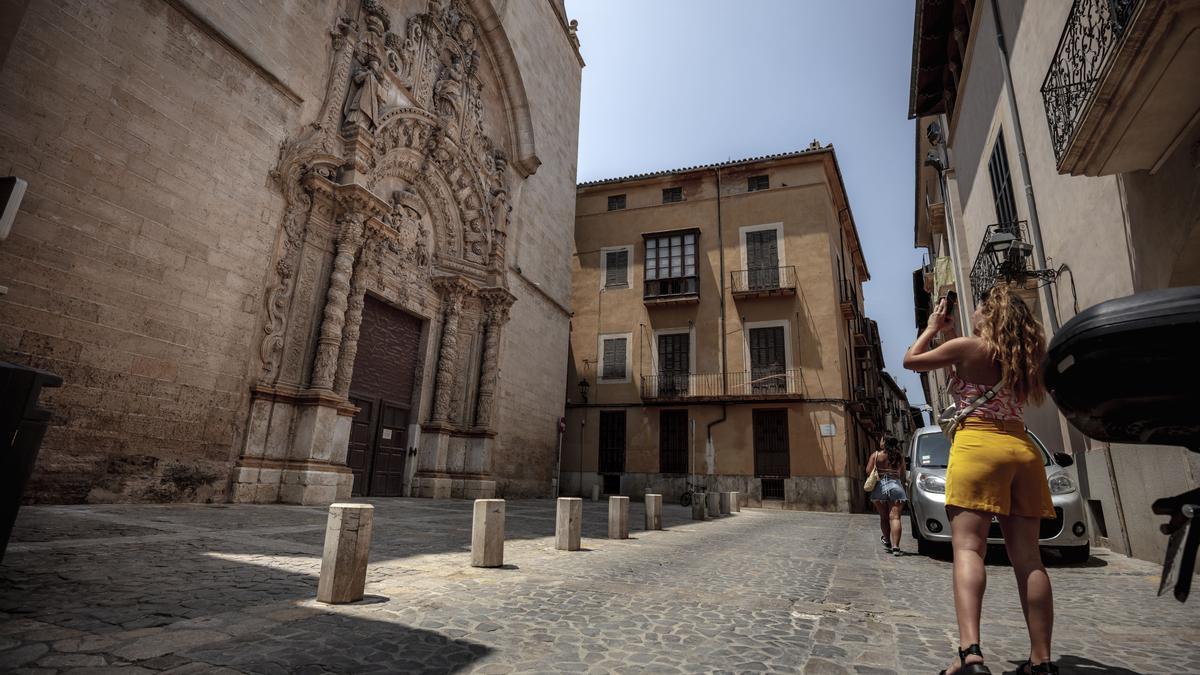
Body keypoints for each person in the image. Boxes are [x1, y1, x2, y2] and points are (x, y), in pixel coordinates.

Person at [903, 283, 1057, 675]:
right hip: (1022, 449)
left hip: (978, 446)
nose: (972, 315)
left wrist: (932, 327)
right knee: (1029, 559)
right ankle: (1042, 661)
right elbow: (966, 372)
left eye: (977, 310)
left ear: (988, 314)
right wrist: (952, 334)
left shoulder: (971, 348)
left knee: (969, 550)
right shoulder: (1021, 359)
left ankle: (970, 653)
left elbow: (911, 360)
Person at [866, 435, 907, 556]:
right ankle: (896, 547)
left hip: (880, 488)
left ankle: (887, 540)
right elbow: (902, 472)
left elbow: (868, 471)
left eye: (881, 440)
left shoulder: (876, 455)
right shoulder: (899, 456)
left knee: (884, 517)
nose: (880, 441)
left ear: (884, 443)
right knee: (895, 518)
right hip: (896, 486)